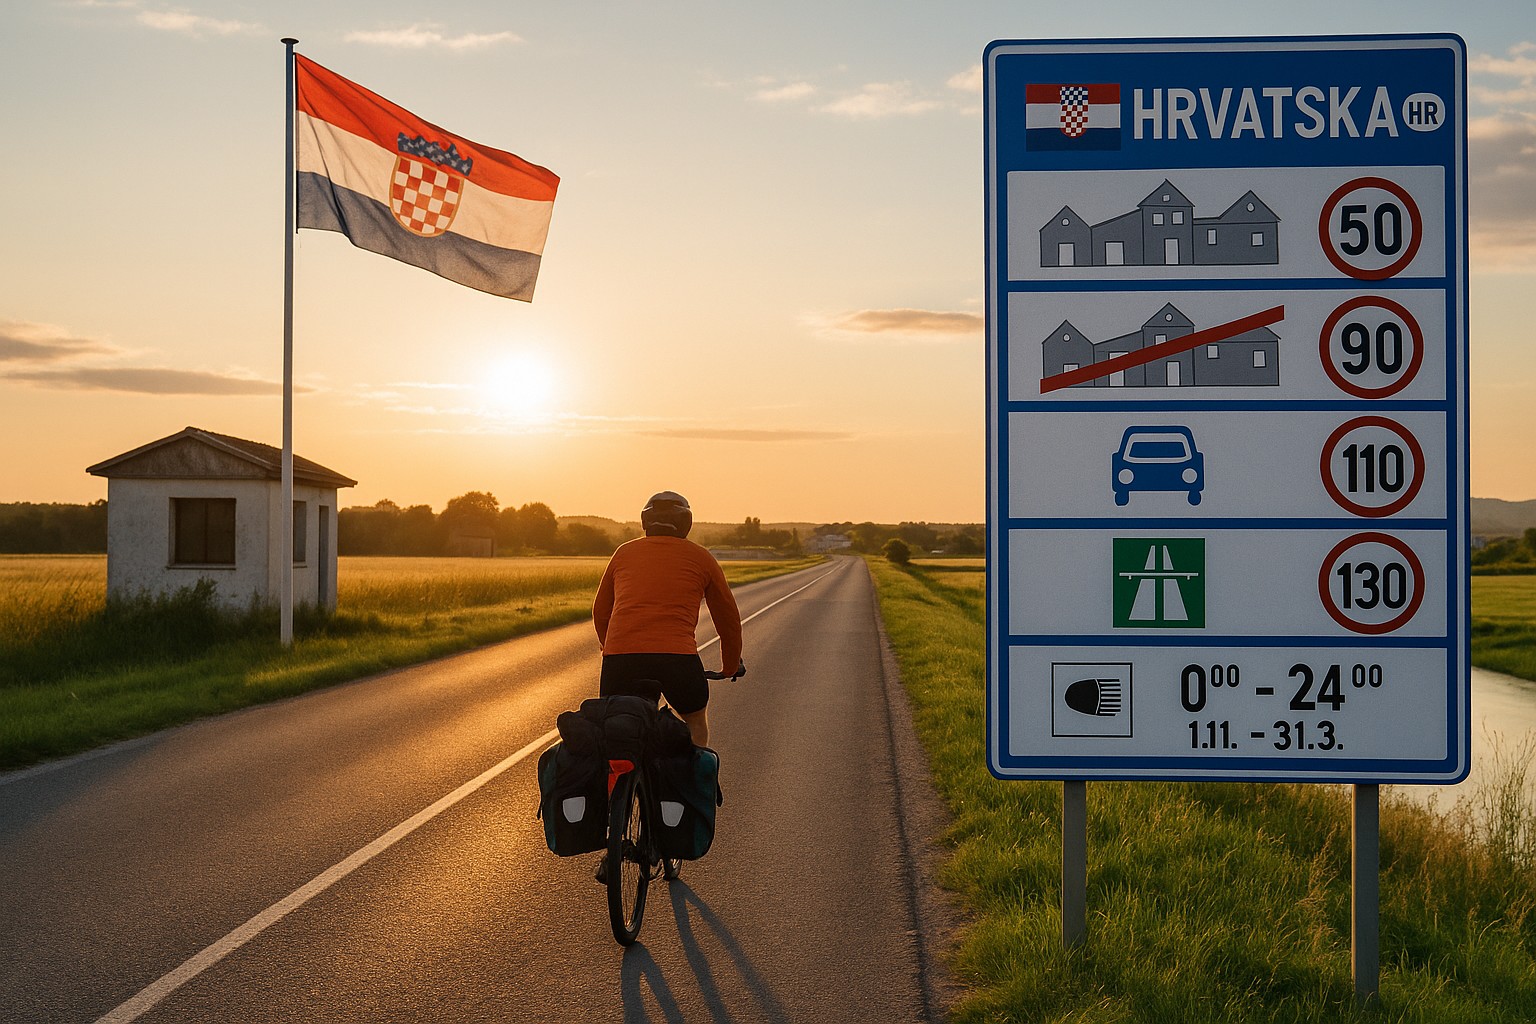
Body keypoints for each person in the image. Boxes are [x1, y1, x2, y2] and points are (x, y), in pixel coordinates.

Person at [592, 491, 744, 749]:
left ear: (645, 522)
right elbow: (727, 620)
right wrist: (729, 665)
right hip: (677, 660)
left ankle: (617, 786)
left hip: (621, 660)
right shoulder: (701, 557)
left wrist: (611, 648)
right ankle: (693, 785)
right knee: (694, 720)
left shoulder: (623, 553)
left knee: (616, 729)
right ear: (687, 523)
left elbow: (601, 611)